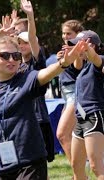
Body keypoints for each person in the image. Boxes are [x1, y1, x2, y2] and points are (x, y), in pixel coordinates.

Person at [0, 36, 84, 179]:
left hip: (30, 162)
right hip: (1, 164)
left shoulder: (27, 79)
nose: (11, 60)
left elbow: (46, 73)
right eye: (5, 56)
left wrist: (63, 64)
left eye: (16, 56)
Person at [17, 0, 54, 163]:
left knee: (41, 165)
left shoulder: (37, 63)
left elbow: (32, 39)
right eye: (19, 43)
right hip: (20, 120)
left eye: (25, 42)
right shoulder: (12, 66)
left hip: (38, 119)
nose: (22, 45)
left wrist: (30, 17)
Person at [68, 30, 104, 180]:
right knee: (76, 166)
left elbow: (97, 59)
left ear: (92, 46)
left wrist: (88, 50)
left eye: (78, 46)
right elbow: (76, 64)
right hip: (81, 118)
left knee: (96, 167)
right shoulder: (83, 67)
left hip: (94, 115)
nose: (76, 49)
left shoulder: (98, 61)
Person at [56, 19, 84, 164]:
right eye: (63, 33)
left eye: (69, 33)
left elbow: (78, 67)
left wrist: (74, 54)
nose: (65, 36)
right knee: (73, 134)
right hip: (67, 96)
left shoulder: (80, 50)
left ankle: (78, 172)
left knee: (62, 134)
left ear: (77, 34)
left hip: (75, 94)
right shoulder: (65, 50)